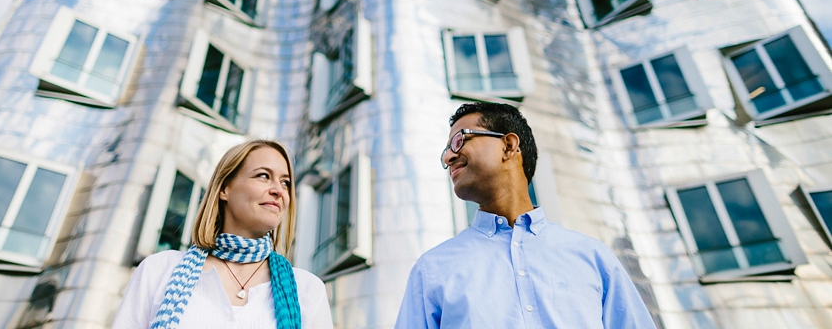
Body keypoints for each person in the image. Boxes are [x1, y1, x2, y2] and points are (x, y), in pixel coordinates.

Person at [394, 102, 657, 328]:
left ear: (508, 145)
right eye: (447, 151)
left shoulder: (592, 256)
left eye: (459, 140)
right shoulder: (432, 270)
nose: (450, 157)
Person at [113, 139, 333, 329]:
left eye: (285, 182)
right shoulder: (159, 270)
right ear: (224, 189)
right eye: (263, 176)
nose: (279, 190)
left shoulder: (307, 290)